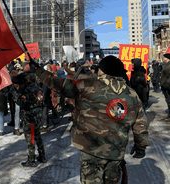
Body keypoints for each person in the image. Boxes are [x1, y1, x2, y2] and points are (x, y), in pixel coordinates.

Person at [30, 55, 149, 183]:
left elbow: (57, 83)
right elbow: (140, 124)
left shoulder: (86, 86)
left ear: (102, 70)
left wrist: (37, 70)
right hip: (116, 152)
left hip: (91, 150)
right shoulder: (132, 95)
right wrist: (140, 146)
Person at [11, 70, 46, 167]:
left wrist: (14, 93)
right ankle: (42, 156)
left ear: (27, 81)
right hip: (38, 115)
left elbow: (22, 102)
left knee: (30, 138)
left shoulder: (27, 90)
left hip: (29, 117)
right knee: (38, 136)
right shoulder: (39, 89)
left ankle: (31, 159)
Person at [160, 49, 170, 117]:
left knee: (169, 101)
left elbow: (163, 79)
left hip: (167, 87)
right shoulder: (166, 67)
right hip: (167, 86)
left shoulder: (166, 67)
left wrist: (163, 87)